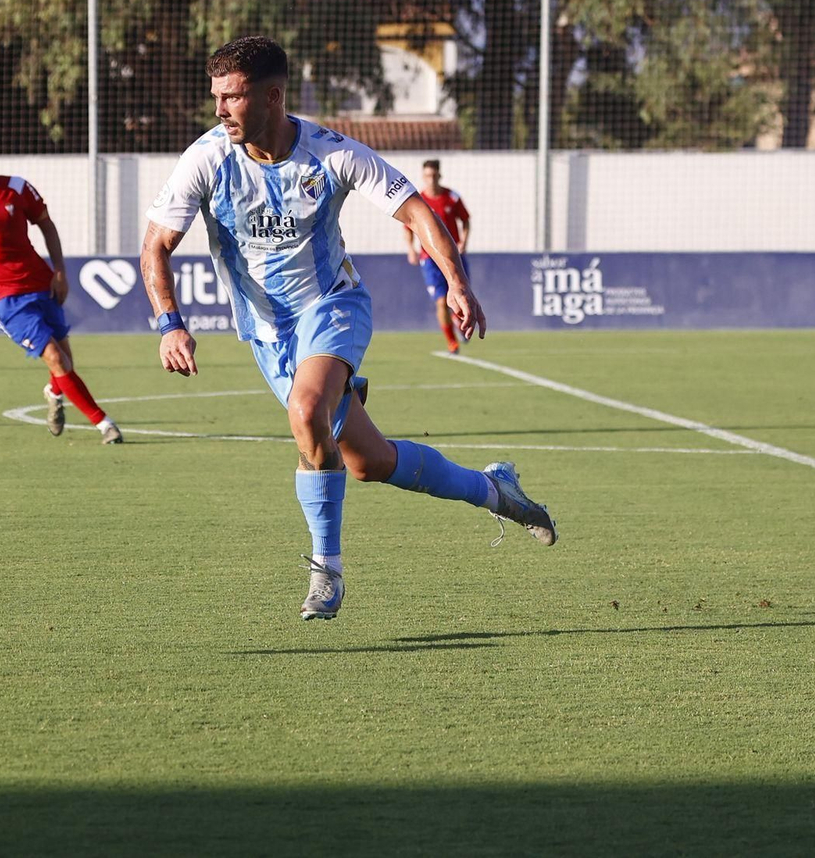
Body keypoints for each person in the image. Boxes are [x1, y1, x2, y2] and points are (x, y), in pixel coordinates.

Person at [140, 36, 556, 622]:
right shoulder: (206, 158)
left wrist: (457, 283)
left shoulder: (331, 154)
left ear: (272, 97)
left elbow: (415, 209)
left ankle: (326, 572)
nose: (220, 110)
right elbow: (156, 245)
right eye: (216, 97)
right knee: (368, 462)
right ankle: (496, 491)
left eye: (232, 97)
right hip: (267, 334)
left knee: (307, 411)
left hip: (333, 304)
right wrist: (169, 324)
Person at [0, 130, 122, 444]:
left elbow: (46, 225)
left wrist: (60, 272)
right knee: (54, 358)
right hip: (4, 297)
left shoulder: (17, 188)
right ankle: (104, 424)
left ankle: (54, 391)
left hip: (41, 283)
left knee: (65, 363)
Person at [403, 158, 471, 354]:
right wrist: (410, 248)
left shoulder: (452, 198)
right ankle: (451, 341)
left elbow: (465, 221)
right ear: (423, 177)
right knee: (441, 301)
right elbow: (408, 227)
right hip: (429, 259)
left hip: (453, 256)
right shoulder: (419, 201)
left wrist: (463, 242)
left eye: (434, 175)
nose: (431, 179)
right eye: (427, 176)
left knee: (461, 295)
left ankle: (458, 320)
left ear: (439, 175)